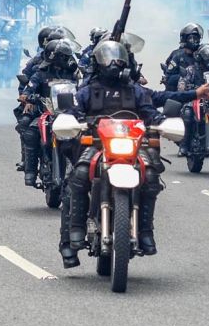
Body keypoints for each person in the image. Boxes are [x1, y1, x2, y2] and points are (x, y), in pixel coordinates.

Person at [62, 39, 166, 267]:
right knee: (79, 174)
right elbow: (74, 111)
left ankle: (146, 231)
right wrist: (75, 121)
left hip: (131, 146)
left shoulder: (135, 91)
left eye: (118, 58)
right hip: (98, 145)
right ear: (98, 62)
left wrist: (161, 122)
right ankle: (76, 230)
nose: (114, 63)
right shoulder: (88, 91)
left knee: (150, 176)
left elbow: (149, 112)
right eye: (109, 58)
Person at [19, 39, 82, 187]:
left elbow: (82, 86)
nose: (68, 59)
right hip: (47, 112)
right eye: (64, 56)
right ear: (55, 57)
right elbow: (29, 88)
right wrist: (27, 96)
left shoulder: (72, 72)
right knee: (31, 133)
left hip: (68, 113)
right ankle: (31, 171)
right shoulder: (40, 74)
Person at [162, 23, 202, 93]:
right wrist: (183, 78)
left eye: (196, 38)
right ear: (185, 39)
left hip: (202, 90)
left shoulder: (202, 54)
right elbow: (169, 78)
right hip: (182, 93)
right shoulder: (177, 55)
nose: (195, 41)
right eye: (192, 38)